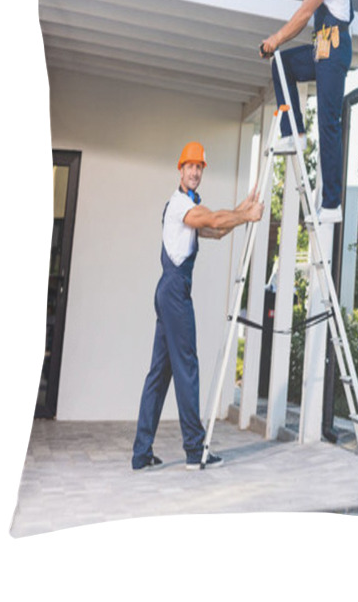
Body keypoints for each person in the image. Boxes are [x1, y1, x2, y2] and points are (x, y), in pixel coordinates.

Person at [132, 141, 264, 470]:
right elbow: (215, 221)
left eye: (199, 167)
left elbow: (216, 231)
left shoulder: (190, 208)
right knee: (187, 369)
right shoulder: (179, 205)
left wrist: (241, 212)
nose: (194, 171)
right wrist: (244, 214)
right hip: (174, 292)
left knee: (159, 376)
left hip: (169, 292)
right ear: (180, 170)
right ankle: (194, 450)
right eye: (190, 166)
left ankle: (141, 453)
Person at [260, 0, 352, 224]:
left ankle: (331, 204)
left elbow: (304, 13)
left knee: (328, 122)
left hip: (335, 48)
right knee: (283, 64)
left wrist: (276, 38)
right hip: (321, 48)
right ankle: (295, 131)